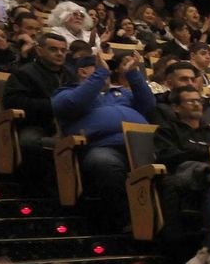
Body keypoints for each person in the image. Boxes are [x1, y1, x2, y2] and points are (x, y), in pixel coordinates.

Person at [52, 49, 158, 229]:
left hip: (140, 144)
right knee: (104, 163)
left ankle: (159, 221)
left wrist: (133, 74)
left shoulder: (121, 93)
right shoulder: (65, 93)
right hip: (102, 146)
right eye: (102, 68)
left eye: (107, 70)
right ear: (83, 71)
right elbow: (73, 104)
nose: (108, 72)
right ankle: (128, 220)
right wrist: (100, 75)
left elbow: (148, 105)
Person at [153, 86, 210, 264]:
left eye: (198, 100)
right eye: (190, 101)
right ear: (176, 107)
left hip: (209, 180)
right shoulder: (167, 130)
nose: (196, 104)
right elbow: (167, 156)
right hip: (181, 178)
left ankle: (208, 250)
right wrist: (205, 151)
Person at [1, 32, 70, 178]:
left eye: (63, 50)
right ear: (39, 50)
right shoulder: (24, 73)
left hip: (68, 125)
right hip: (36, 124)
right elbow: (13, 102)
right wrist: (52, 105)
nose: (59, 54)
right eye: (53, 49)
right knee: (30, 142)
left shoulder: (70, 74)